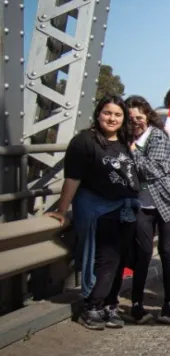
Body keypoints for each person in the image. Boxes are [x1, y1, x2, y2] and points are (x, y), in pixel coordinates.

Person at [47, 96, 140, 331]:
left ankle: (110, 304)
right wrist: (61, 209)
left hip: (125, 209)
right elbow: (73, 178)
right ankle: (91, 306)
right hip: (100, 210)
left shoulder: (122, 141)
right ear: (98, 114)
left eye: (118, 115)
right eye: (107, 113)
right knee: (106, 260)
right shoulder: (84, 142)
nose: (112, 118)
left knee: (121, 261)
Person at [125, 96, 170, 325]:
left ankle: (169, 305)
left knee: (168, 253)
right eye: (130, 118)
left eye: (139, 117)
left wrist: (132, 151)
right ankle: (137, 305)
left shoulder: (157, 136)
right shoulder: (125, 139)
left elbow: (154, 170)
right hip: (141, 204)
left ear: (148, 117)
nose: (135, 122)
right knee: (143, 253)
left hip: (166, 201)